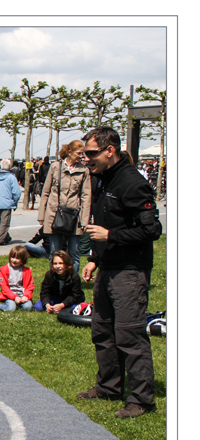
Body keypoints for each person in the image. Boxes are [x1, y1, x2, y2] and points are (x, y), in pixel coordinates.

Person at [76, 126, 162, 419]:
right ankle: (109, 387)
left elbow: (151, 230)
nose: (86, 159)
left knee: (129, 335)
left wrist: (111, 235)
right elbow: (102, 228)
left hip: (130, 270)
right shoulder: (103, 179)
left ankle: (141, 399)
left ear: (109, 150)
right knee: (102, 330)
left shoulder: (132, 183)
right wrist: (93, 259)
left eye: (91, 153)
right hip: (108, 267)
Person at [38, 140, 92, 273]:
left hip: (74, 216)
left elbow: (86, 197)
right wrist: (42, 215)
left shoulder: (84, 170)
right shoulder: (56, 167)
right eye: (79, 153)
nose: (81, 156)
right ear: (70, 152)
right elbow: (45, 191)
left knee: (74, 253)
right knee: (54, 253)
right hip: (55, 213)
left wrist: (84, 221)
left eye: (82, 153)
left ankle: (72, 283)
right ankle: (55, 282)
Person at [0, 245, 34, 312]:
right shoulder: (4, 270)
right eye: (12, 257)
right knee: (11, 309)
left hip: (22, 295)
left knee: (28, 307)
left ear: (23, 259)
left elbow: (30, 286)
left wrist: (26, 296)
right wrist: (14, 297)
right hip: (9, 295)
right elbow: (4, 287)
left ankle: (18, 304)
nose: (14, 260)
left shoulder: (27, 271)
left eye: (18, 258)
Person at [0, 158, 22, 246]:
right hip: (7, 202)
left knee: (1, 221)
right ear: (9, 167)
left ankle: (6, 237)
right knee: (5, 223)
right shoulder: (11, 177)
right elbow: (16, 192)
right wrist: (14, 201)